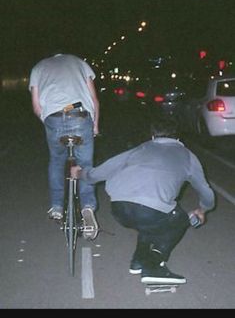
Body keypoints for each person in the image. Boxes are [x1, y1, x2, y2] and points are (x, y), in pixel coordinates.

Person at [70, 116, 215, 284]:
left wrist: (80, 173)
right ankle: (153, 265)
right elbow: (206, 192)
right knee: (181, 219)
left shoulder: (139, 149)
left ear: (153, 136)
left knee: (151, 222)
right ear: (178, 137)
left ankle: (138, 260)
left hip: (119, 208)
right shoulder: (188, 156)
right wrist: (203, 210)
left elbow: (99, 173)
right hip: (149, 212)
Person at [29, 52, 99, 240]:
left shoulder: (38, 67)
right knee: (85, 164)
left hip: (53, 118)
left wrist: (50, 123)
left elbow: (37, 107)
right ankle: (87, 207)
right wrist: (95, 125)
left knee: (57, 160)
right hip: (80, 116)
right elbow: (94, 99)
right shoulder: (79, 62)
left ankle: (57, 207)